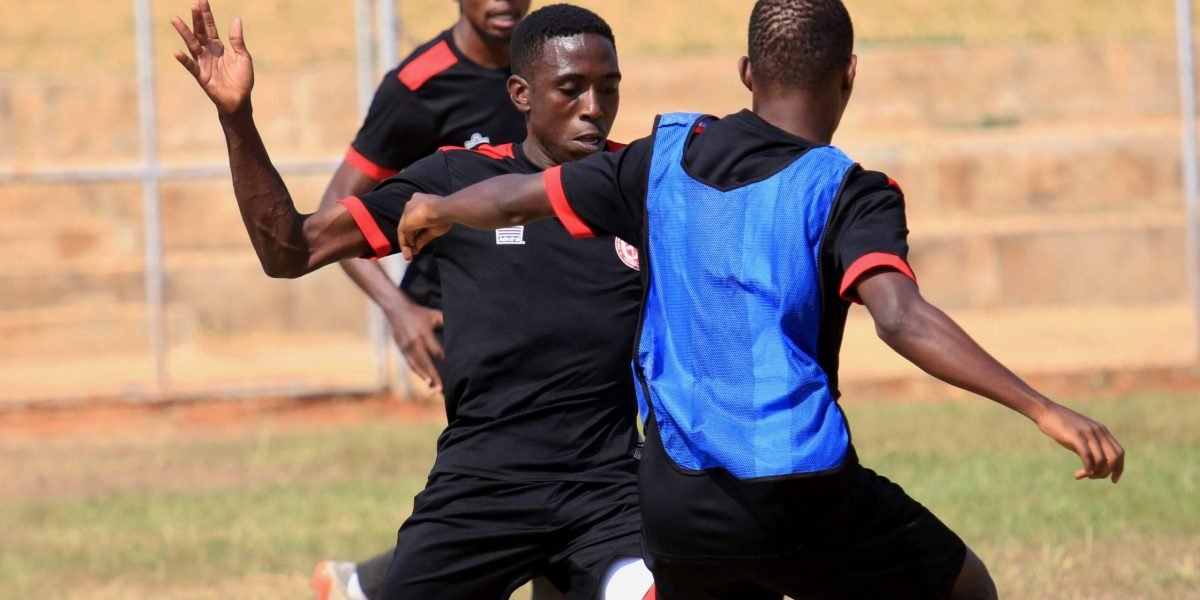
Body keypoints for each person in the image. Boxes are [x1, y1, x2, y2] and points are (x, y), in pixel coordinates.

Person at [393, 0, 1128, 598]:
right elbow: (900, 319)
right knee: (967, 591)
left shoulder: (660, 159)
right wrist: (1043, 406)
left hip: (677, 504)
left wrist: (439, 209)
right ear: (849, 74)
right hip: (801, 493)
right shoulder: (849, 190)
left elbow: (519, 197)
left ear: (747, 72)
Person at [169, 2, 656, 598]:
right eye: (572, 89)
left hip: (608, 491)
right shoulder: (455, 183)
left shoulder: (639, 185)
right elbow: (289, 250)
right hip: (482, 489)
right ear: (521, 93)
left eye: (609, 89)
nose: (594, 108)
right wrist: (237, 119)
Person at [309, 1, 531, 598]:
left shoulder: (551, 65)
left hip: (545, 301)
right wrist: (396, 307)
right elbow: (334, 214)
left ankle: (366, 583)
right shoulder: (418, 86)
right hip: (458, 314)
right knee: (537, 473)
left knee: (533, 484)